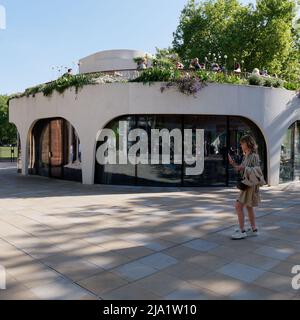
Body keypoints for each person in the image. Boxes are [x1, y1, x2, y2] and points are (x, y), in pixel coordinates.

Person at [228, 135, 264, 240]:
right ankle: (254, 229)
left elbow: (257, 171)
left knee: (238, 206)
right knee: (249, 207)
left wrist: (244, 167)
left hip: (250, 186)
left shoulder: (254, 156)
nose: (241, 145)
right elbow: (242, 169)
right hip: (247, 184)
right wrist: (233, 164)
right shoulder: (246, 155)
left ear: (248, 143)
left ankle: (242, 230)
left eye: (242, 143)